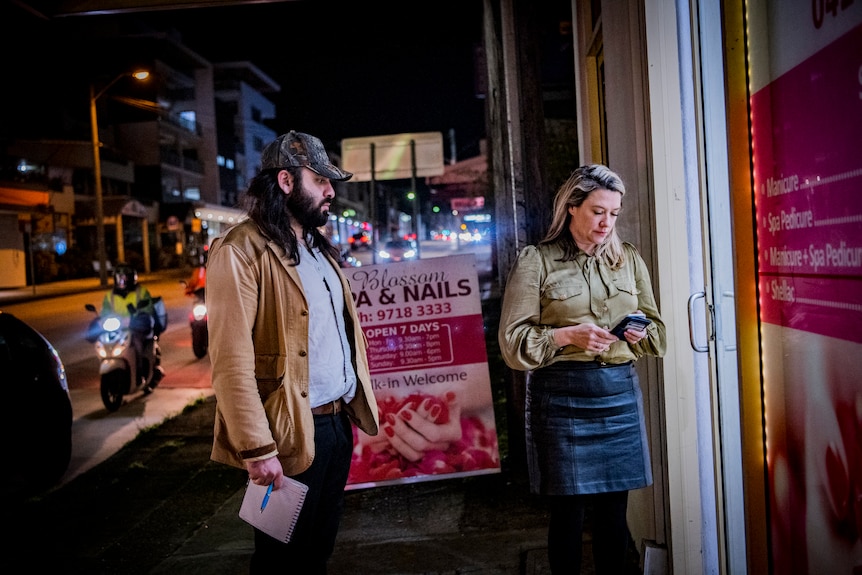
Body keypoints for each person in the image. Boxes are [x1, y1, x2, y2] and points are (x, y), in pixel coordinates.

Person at [206, 130, 380, 574]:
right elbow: (230, 359)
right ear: (285, 181)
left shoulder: (319, 249)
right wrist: (256, 448)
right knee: (279, 562)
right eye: (319, 180)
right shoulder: (241, 250)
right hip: (285, 434)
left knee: (318, 552)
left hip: (337, 426)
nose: (330, 191)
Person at [497, 164, 667, 575]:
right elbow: (511, 342)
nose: (607, 223)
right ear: (572, 207)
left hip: (618, 393)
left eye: (614, 213)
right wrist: (565, 337)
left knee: (614, 512)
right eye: (597, 211)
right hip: (562, 397)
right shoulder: (536, 261)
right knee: (568, 514)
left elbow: (657, 332)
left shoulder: (627, 260)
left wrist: (635, 331)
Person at [100, 263, 163, 391]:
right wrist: (101, 320)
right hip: (118, 330)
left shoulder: (141, 292)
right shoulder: (110, 296)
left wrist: (138, 316)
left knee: (137, 345)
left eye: (124, 278)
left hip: (136, 328)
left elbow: (148, 308)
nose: (121, 281)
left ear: (131, 278)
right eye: (119, 278)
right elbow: (104, 312)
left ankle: (139, 374)